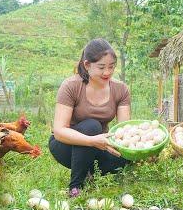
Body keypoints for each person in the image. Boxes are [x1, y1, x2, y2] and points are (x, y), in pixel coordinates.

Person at [49, 38, 131, 197]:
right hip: (66, 145)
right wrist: (92, 140)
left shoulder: (121, 89)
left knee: (124, 158)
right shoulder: (71, 86)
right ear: (87, 65)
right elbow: (59, 131)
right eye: (101, 67)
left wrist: (139, 147)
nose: (107, 72)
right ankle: (75, 187)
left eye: (111, 67)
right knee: (92, 126)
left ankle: (88, 171)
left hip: (100, 145)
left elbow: (124, 130)